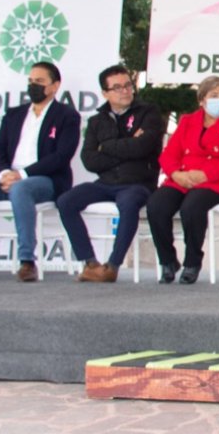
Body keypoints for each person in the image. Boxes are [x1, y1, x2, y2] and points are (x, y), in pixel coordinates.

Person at [0, 61, 81, 282]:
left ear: (55, 85)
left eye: (39, 81)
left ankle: (27, 261)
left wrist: (22, 175)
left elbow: (60, 157)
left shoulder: (67, 116)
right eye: (30, 81)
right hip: (9, 177)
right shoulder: (15, 114)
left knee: (21, 189)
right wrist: (3, 174)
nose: (33, 86)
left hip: (45, 180)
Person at [56, 65, 165, 282]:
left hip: (138, 182)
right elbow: (89, 160)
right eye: (117, 87)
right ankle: (90, 263)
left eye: (127, 85)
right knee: (66, 201)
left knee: (129, 203)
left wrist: (105, 147)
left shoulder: (149, 113)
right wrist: (129, 144)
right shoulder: (97, 120)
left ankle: (113, 266)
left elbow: (143, 148)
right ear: (105, 93)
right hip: (105, 182)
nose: (125, 91)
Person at [146, 75, 219, 285]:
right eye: (214, 95)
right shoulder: (187, 121)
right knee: (156, 205)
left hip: (217, 182)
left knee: (192, 207)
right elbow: (168, 154)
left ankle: (192, 262)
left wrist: (206, 174)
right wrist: (175, 174)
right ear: (201, 100)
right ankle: (167, 261)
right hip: (183, 179)